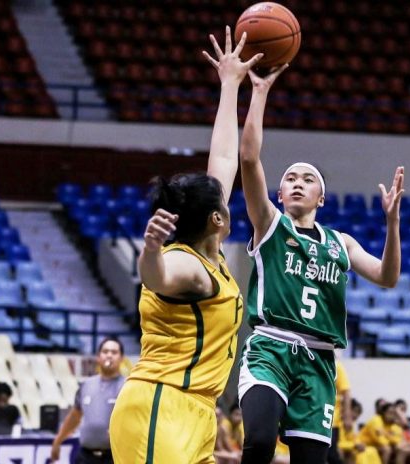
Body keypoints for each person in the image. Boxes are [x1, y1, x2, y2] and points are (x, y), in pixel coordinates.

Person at [238, 60, 405, 464]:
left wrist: (392, 221)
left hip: (319, 361)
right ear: (279, 195)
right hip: (271, 348)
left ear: (322, 198)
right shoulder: (270, 225)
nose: (296, 181)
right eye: (290, 178)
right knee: (259, 442)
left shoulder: (341, 243)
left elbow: (387, 277)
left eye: (307, 179)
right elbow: (247, 159)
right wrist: (258, 93)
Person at [109, 26, 262, 464]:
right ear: (217, 219)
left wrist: (230, 85)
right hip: (162, 404)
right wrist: (151, 250)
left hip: (197, 413)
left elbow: (224, 159)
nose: (228, 196)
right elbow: (157, 278)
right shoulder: (186, 265)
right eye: (224, 201)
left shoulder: (210, 257)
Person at [51, 337, 125, 464]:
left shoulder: (127, 386)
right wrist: (58, 440)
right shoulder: (86, 385)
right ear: (98, 357)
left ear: (121, 358)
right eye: (105, 351)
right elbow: (75, 416)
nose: (109, 356)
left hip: (113, 457)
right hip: (85, 456)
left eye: (114, 352)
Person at [339, 399, 381, 464]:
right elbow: (338, 444)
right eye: (355, 411)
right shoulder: (337, 423)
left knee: (372, 450)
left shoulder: (350, 425)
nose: (356, 416)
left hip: (351, 446)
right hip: (344, 449)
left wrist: (359, 444)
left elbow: (354, 439)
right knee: (358, 455)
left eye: (358, 414)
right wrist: (355, 445)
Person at [328, 358, 352, 464]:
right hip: (313, 418)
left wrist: (347, 416)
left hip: (332, 419)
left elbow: (346, 392)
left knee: (331, 454)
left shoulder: (336, 366)